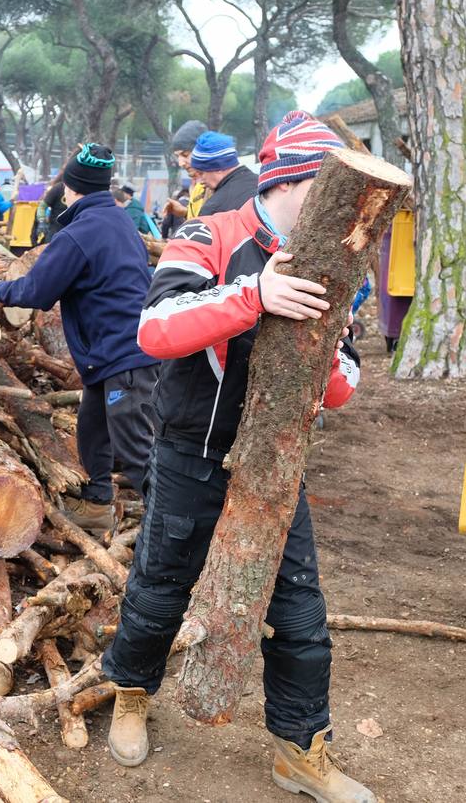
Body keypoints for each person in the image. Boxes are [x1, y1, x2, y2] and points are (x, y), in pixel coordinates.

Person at [100, 111, 372, 803]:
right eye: (332, 184)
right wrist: (255, 295)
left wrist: (329, 348)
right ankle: (131, 695)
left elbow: (344, 386)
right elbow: (156, 329)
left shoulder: (337, 254)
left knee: (300, 612)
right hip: (193, 448)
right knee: (161, 583)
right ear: (301, 181)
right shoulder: (209, 233)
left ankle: (301, 751)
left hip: (277, 460)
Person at [0, 144, 159, 533]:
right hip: (112, 352)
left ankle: (173, 528)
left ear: (70, 187)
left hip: (125, 352)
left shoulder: (80, 233)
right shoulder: (117, 220)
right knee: (92, 428)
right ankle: (98, 508)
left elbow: (37, 291)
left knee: (135, 447)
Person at [190, 131, 259, 216]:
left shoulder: (214, 209)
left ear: (218, 167)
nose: (200, 181)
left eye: (201, 173)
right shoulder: (263, 184)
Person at [170, 119, 210, 218]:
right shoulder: (197, 189)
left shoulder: (223, 187)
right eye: (178, 156)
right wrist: (185, 213)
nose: (181, 163)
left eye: (185, 155)